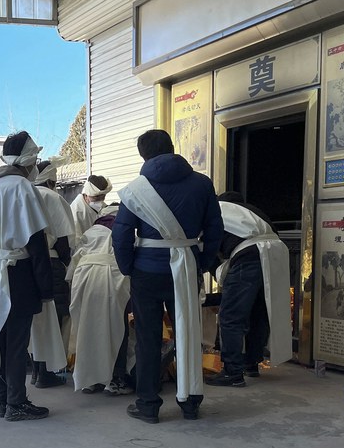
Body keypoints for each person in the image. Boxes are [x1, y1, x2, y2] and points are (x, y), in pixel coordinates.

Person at [112, 129, 223, 423]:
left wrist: (128, 267)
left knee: (148, 339)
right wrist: (202, 262)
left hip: (146, 272)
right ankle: (190, 402)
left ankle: (148, 404)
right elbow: (215, 228)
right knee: (188, 333)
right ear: (173, 148)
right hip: (185, 269)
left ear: (143, 155)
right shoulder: (201, 183)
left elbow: (121, 233)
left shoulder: (136, 189)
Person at [0, 131, 53, 421]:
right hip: (16, 273)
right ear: (29, 159)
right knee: (16, 342)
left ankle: (3, 400)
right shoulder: (20, 187)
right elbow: (36, 240)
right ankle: (16, 403)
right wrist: (46, 286)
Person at [205, 191, 291, 387]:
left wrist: (216, 274)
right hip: (275, 254)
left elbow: (209, 251)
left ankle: (232, 372)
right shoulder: (255, 212)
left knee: (231, 316)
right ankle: (251, 363)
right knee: (259, 311)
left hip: (248, 255)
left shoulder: (217, 210)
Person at [66, 205, 133, 395]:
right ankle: (115, 380)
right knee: (115, 330)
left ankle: (89, 379)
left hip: (84, 281)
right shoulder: (122, 229)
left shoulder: (90, 231)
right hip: (111, 281)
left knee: (86, 330)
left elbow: (74, 262)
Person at [29, 157, 74, 388]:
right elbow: (64, 238)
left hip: (27, 264)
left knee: (36, 320)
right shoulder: (52, 197)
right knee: (54, 320)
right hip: (52, 263)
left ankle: (36, 371)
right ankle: (46, 373)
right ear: (52, 180)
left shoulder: (24, 192)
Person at [70, 174, 112, 242]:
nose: (100, 201)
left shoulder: (104, 207)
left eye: (103, 196)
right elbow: (76, 240)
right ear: (86, 195)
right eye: (96, 197)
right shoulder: (76, 210)